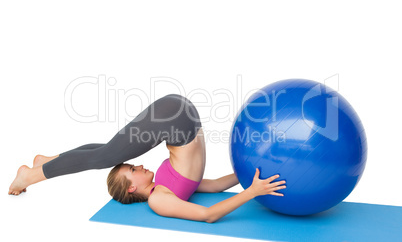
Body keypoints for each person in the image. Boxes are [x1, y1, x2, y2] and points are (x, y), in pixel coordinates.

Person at [8, 94, 286, 223]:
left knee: (107, 152)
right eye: (133, 169)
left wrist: (251, 188)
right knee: (107, 151)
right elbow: (209, 207)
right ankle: (41, 165)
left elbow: (208, 205)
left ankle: (35, 170)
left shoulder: (162, 189)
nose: (139, 164)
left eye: (133, 165)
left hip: (176, 117)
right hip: (180, 116)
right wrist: (249, 182)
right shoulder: (160, 198)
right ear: (132, 188)